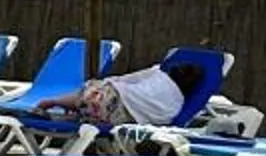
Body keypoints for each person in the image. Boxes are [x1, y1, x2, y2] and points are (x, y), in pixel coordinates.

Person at [31, 50, 206, 129]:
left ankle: (53, 102)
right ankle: (70, 117)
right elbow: (161, 121)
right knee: (94, 114)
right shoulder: (176, 105)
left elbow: (126, 79)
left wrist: (102, 83)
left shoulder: (158, 73)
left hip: (105, 97)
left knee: (90, 95)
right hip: (119, 120)